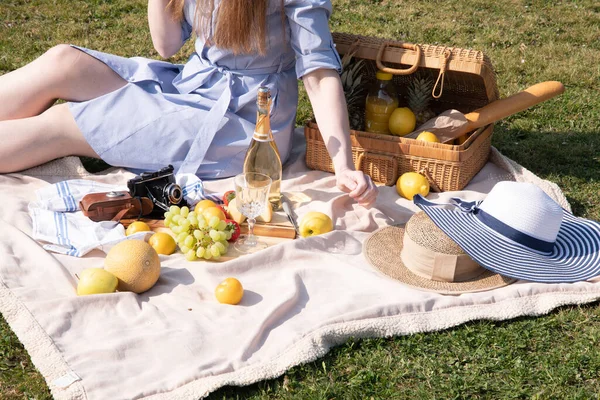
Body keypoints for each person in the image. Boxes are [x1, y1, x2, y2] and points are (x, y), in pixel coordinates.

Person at [0, 0, 378, 207]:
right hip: (192, 84)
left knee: (67, 122)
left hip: (243, 120)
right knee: (63, 62)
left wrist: (342, 164)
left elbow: (318, 74)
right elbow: (165, 45)